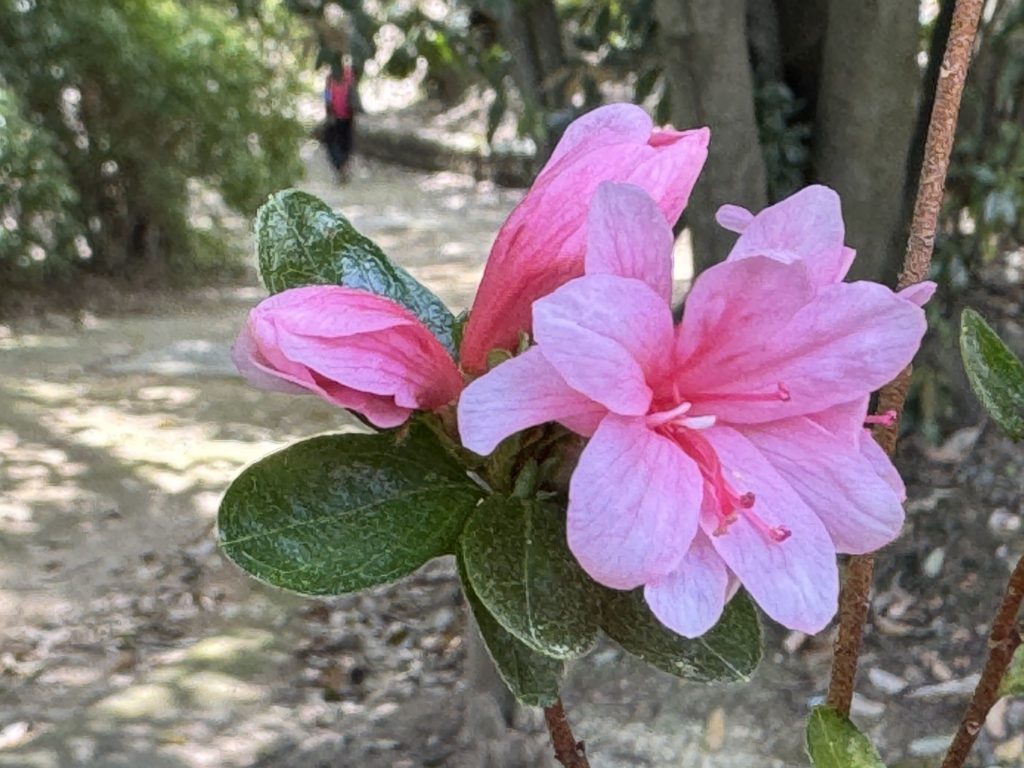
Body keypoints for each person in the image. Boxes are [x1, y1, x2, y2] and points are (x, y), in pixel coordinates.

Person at [323, 62, 358, 177]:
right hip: (346, 116)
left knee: (334, 142)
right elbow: (353, 95)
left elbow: (327, 96)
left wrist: (329, 111)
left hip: (337, 116)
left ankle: (341, 166)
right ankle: (343, 166)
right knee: (345, 142)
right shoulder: (349, 75)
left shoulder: (331, 77)